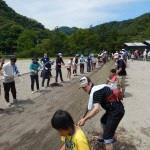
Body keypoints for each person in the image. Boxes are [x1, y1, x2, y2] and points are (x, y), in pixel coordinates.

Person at [78, 76, 124, 150]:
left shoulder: (95, 92)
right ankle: (111, 135)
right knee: (103, 120)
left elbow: (96, 109)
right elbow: (89, 106)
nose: (84, 89)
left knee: (107, 138)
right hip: (113, 109)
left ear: (90, 84)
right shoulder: (96, 88)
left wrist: (85, 119)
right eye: (82, 87)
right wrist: (83, 116)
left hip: (116, 111)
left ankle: (109, 138)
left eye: (85, 87)